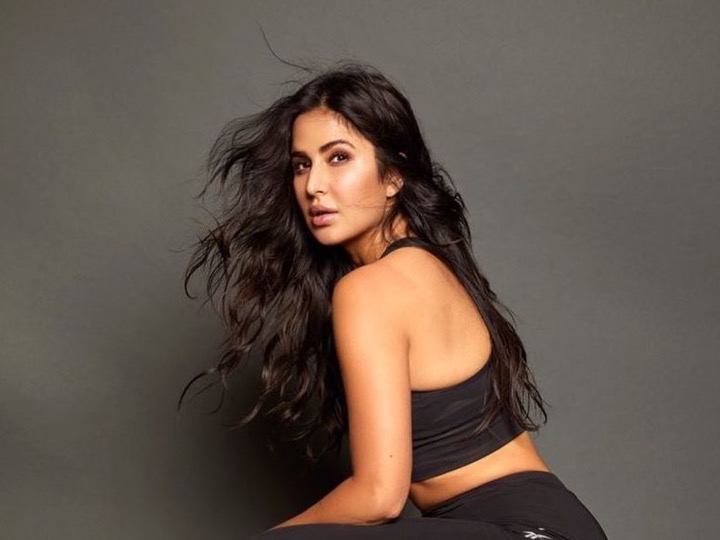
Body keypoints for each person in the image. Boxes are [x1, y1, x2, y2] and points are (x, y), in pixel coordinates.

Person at [181, 62, 608, 540]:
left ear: (393, 175)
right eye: (302, 165)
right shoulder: (428, 264)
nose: (314, 185)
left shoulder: (372, 288)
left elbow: (380, 496)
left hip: (525, 530)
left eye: (338, 158)